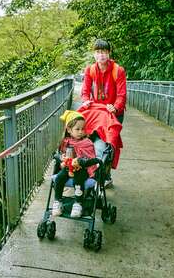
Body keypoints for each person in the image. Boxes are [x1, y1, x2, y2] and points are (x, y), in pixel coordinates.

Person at [80, 39, 127, 187]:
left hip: (113, 112)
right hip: (97, 112)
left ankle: (106, 175)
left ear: (109, 54)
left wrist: (116, 106)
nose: (101, 55)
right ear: (94, 54)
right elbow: (85, 91)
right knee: (92, 137)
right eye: (98, 52)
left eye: (104, 52)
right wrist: (86, 100)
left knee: (109, 142)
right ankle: (91, 169)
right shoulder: (91, 70)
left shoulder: (117, 70)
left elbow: (122, 94)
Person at [52, 110, 99, 218]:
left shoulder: (87, 143)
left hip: (83, 169)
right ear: (69, 129)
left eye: (82, 129)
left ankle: (78, 203)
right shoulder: (66, 141)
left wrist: (82, 160)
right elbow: (61, 154)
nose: (81, 132)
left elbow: (91, 157)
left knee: (78, 179)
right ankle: (57, 201)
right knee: (59, 178)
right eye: (77, 129)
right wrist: (63, 159)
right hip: (68, 168)